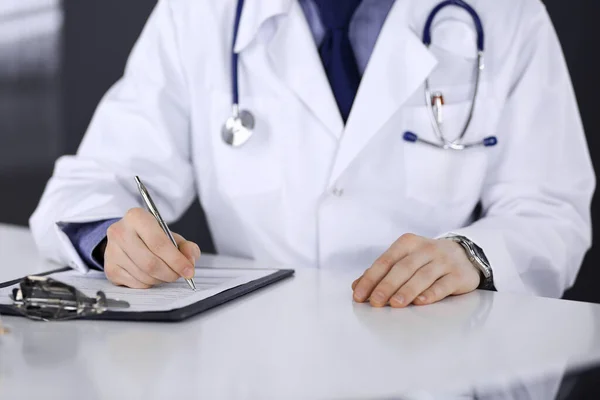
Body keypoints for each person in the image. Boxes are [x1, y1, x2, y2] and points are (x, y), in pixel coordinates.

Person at [30, 0, 594, 308]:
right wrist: (111, 238)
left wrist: (472, 255)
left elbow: (551, 207)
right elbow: (91, 182)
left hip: (441, 353)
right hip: (259, 362)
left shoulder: (505, 13)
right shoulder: (200, 14)